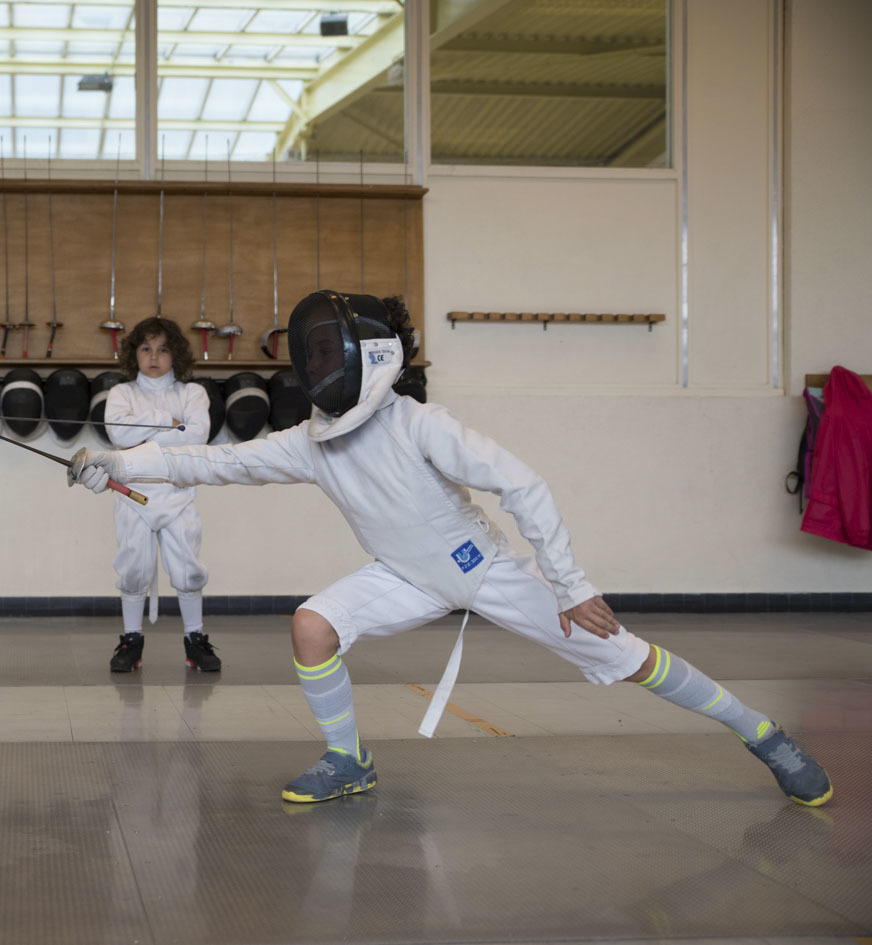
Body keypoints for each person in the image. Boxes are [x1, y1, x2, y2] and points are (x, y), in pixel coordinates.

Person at [69, 289, 832, 807]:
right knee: (312, 625)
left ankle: (760, 731)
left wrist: (568, 584)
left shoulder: (416, 424)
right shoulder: (311, 442)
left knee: (628, 656)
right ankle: (352, 761)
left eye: (328, 352)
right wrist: (118, 463)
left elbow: (524, 485)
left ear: (365, 355)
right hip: (406, 577)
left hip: (486, 571)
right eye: (312, 355)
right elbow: (216, 463)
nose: (316, 366)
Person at [100, 317, 218, 673]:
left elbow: (197, 435)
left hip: (177, 492)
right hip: (132, 493)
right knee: (133, 568)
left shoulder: (192, 393)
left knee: (187, 570)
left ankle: (195, 640)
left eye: (163, 349)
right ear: (134, 353)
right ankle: (131, 640)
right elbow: (119, 436)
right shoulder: (122, 394)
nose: (154, 356)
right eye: (146, 348)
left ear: (175, 355)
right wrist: (169, 422)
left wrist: (146, 431)